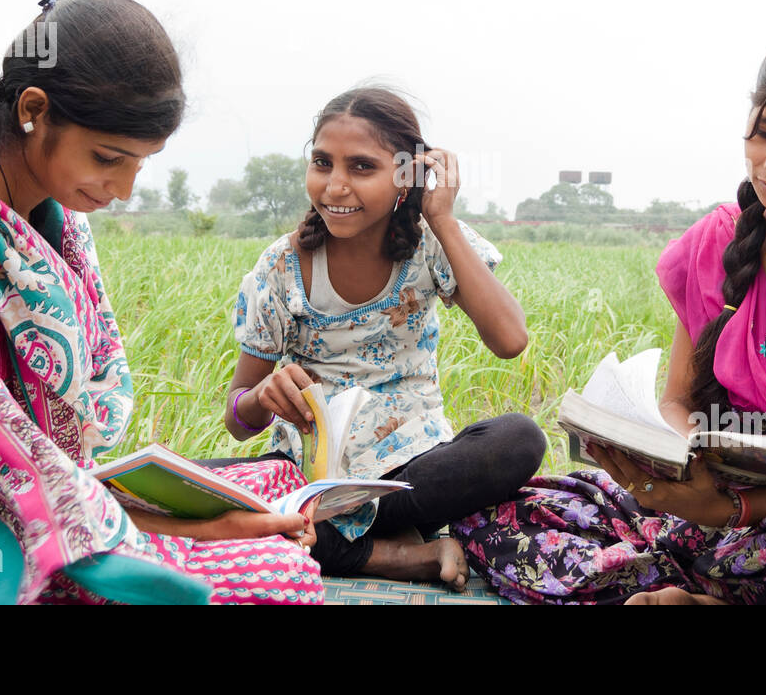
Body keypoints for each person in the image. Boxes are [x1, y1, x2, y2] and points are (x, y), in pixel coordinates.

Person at [0, 0, 323, 605]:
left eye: (140, 164)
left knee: (278, 482)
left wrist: (186, 522)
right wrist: (202, 528)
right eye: (109, 159)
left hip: (50, 496)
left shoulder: (45, 217)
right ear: (34, 110)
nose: (122, 188)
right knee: (280, 577)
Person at [452, 28, 766, 604]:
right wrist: (676, 471)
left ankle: (677, 583)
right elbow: (678, 402)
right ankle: (704, 582)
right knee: (498, 513)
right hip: (702, 504)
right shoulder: (714, 245)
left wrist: (731, 509)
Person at [225, 87, 547, 588]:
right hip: (306, 479)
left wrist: (439, 216)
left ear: (406, 176)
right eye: (322, 162)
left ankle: (324, 540)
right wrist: (261, 398)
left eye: (360, 167)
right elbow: (238, 420)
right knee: (167, 496)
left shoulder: (429, 244)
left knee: (518, 440)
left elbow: (510, 339)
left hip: (407, 475)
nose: (334, 186)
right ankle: (391, 555)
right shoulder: (280, 267)